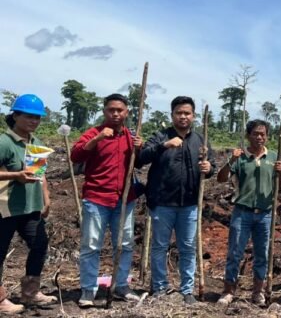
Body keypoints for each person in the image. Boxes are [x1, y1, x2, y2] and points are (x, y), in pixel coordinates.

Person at [137, 96, 214, 305]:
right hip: (162, 202)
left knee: (188, 247)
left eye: (187, 113)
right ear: (172, 115)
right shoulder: (160, 136)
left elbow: (211, 166)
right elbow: (141, 158)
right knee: (160, 246)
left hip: (189, 204)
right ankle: (159, 287)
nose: (183, 116)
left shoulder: (200, 140)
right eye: (179, 113)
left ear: (193, 116)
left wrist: (208, 168)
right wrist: (164, 145)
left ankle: (187, 290)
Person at [71, 93, 143, 307]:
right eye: (111, 110)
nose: (115, 114)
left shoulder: (131, 136)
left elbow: (139, 162)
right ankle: (88, 290)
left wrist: (140, 148)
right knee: (91, 245)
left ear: (127, 112)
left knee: (125, 244)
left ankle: (121, 285)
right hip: (97, 199)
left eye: (120, 110)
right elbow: (75, 156)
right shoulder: (94, 133)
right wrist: (97, 139)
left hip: (124, 200)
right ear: (104, 112)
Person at [216, 120, 281, 307]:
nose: (259, 137)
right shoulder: (240, 157)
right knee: (235, 252)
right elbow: (221, 178)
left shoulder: (273, 157)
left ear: (267, 136)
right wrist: (231, 160)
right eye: (255, 134)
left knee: (262, 254)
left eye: (263, 134)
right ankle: (228, 291)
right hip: (242, 212)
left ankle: (258, 292)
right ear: (248, 136)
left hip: (265, 214)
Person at [0, 94, 56, 314]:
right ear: (15, 116)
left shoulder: (37, 144)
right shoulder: (4, 143)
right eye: (29, 116)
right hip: (5, 208)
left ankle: (30, 292)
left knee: (39, 244)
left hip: (30, 207)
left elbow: (40, 174)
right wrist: (15, 175)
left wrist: (46, 198)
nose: (34, 121)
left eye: (37, 117)